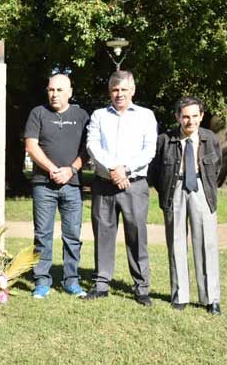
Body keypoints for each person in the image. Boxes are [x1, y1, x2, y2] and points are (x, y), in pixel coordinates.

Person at [83, 70, 157, 306]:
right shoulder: (99, 115)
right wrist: (114, 168)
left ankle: (141, 287)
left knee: (137, 236)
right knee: (103, 234)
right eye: (115, 90)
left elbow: (149, 150)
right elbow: (92, 145)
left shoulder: (146, 116)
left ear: (132, 91)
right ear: (109, 92)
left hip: (134, 185)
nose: (119, 94)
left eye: (124, 89)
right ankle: (102, 283)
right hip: (104, 184)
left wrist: (125, 169)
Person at [148, 96, 222, 315]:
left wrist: (203, 183)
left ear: (202, 116)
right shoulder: (165, 139)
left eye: (195, 116)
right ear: (177, 117)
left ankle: (211, 298)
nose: (190, 121)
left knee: (206, 244)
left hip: (202, 191)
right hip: (175, 191)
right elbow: (155, 171)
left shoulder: (210, 138)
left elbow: (217, 166)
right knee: (176, 242)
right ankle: (180, 295)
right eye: (185, 116)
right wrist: (166, 191)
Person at [24, 74, 90, 299]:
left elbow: (87, 149)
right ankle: (42, 281)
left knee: (72, 235)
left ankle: (71, 280)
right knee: (42, 234)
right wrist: (52, 169)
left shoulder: (81, 116)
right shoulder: (38, 113)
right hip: (44, 185)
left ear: (70, 92)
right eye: (51, 90)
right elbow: (31, 146)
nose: (55, 94)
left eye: (60, 90)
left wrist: (71, 170)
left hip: (72, 185)